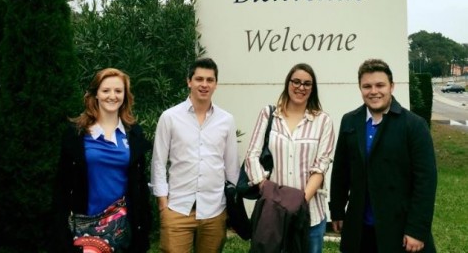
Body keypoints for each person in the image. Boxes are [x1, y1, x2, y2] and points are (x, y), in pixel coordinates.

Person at [330, 59, 437, 253]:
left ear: (391, 86)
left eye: (380, 85)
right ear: (360, 88)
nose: (374, 91)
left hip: (400, 229)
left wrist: (417, 229)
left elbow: (426, 182)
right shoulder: (350, 121)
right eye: (367, 86)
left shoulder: (414, 126)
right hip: (360, 228)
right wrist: (337, 210)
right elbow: (341, 171)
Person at [51, 68, 152, 252]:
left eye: (118, 91)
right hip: (86, 225)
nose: (112, 96)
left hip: (122, 227)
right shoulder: (76, 134)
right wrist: (60, 230)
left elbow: (140, 185)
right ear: (95, 94)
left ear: (125, 96)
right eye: (106, 90)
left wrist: (143, 227)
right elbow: (62, 185)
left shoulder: (134, 134)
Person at [151, 57, 240, 253]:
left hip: (214, 210)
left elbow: (232, 166)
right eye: (199, 79)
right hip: (177, 208)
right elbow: (158, 162)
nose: (204, 84)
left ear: (216, 84)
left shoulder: (226, 120)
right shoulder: (170, 117)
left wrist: (231, 206)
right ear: (189, 81)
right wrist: (163, 204)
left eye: (210, 80)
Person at [244, 63, 335, 253]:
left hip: (310, 215)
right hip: (273, 214)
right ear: (288, 83)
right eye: (296, 82)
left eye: (307, 84)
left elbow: (321, 167)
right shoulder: (269, 114)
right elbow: (252, 155)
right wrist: (268, 192)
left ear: (313, 88)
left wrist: (298, 203)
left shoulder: (323, 121)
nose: (301, 87)